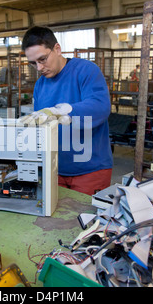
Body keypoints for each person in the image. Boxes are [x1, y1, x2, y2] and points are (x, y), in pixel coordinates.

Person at [20, 26, 113, 196]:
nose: (39, 68)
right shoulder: (40, 85)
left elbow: (100, 106)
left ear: (57, 49)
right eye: (33, 63)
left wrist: (66, 110)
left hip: (90, 170)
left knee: (87, 220)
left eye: (42, 59)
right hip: (55, 169)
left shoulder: (85, 70)